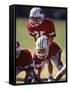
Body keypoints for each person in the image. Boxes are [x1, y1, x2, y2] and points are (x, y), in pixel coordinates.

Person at [27, 8, 63, 80]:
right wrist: (39, 46)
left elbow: (51, 38)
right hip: (40, 47)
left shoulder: (49, 24)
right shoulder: (29, 26)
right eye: (32, 19)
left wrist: (45, 47)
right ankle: (37, 77)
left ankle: (51, 76)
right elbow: (35, 37)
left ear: (42, 17)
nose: (34, 21)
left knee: (59, 67)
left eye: (37, 19)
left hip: (51, 46)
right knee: (38, 63)